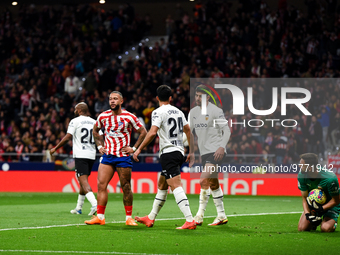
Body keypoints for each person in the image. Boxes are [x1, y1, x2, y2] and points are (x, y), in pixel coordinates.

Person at [133, 85, 196, 230]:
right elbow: (188, 131)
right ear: (170, 98)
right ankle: (150, 217)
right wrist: (191, 152)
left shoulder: (157, 112)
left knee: (176, 185)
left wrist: (139, 149)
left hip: (168, 152)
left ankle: (189, 220)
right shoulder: (179, 112)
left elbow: (152, 132)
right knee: (162, 185)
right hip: (179, 151)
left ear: (157, 98)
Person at [85, 91, 147, 226]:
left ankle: (128, 218)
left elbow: (143, 132)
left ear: (121, 101)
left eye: (115, 99)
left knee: (126, 187)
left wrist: (134, 148)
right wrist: (99, 146)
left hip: (123, 157)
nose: (112, 101)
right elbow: (95, 131)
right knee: (101, 185)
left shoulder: (129, 116)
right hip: (107, 156)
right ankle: (100, 217)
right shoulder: (103, 116)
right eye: (110, 99)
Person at [189, 84, 231, 226]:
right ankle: (221, 215)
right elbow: (189, 133)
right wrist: (191, 152)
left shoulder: (216, 111)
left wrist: (222, 147)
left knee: (203, 181)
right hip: (204, 152)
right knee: (213, 183)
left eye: (201, 96)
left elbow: (227, 130)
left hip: (216, 151)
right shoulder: (193, 112)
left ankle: (199, 216)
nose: (198, 98)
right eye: (196, 96)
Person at [50, 102, 98, 216]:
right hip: (91, 154)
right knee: (82, 181)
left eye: (76, 109)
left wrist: (55, 148)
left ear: (80, 110)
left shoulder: (75, 121)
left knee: (83, 181)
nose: (74, 111)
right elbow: (99, 136)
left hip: (81, 154)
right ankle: (78, 208)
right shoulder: (94, 122)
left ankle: (95, 204)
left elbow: (68, 137)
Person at [297, 153, 340, 232]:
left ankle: (332, 224)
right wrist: (307, 214)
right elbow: (304, 198)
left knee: (325, 228)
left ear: (310, 168)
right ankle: (314, 222)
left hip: (331, 205)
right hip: (313, 204)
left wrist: (321, 208)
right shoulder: (301, 175)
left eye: (302, 165)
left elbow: (336, 200)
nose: (299, 166)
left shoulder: (330, 178)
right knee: (302, 229)